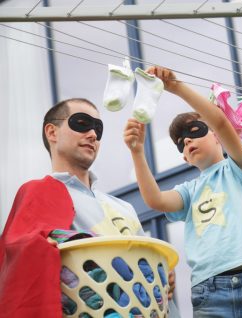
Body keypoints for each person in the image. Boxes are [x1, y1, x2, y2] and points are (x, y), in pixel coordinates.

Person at [124, 66, 242, 318]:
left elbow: (219, 121)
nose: (188, 141)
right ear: (184, 157)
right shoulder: (189, 191)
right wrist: (137, 153)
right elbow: (155, 200)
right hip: (208, 290)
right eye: (181, 143)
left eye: (195, 132)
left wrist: (176, 87)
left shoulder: (238, 168)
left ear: (216, 136)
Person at [0, 98, 178, 317]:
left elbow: (149, 263)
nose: (93, 134)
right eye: (81, 123)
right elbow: (20, 259)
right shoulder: (37, 192)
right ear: (52, 132)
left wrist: (163, 274)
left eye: (98, 129)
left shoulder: (124, 207)